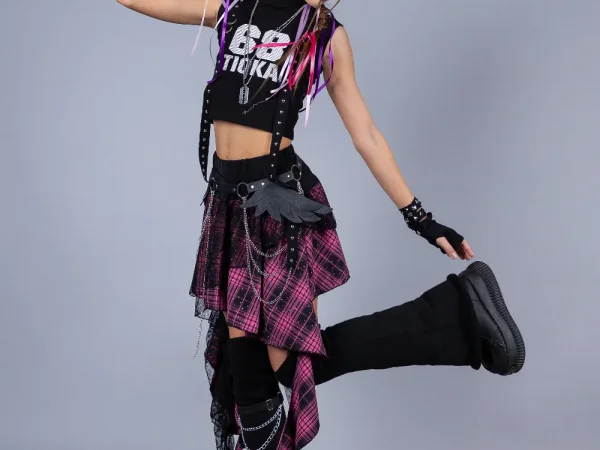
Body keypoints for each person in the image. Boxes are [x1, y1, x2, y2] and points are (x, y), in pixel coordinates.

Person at [116, 1, 527, 449]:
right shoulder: (233, 6)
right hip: (230, 207)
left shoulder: (327, 36)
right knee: (255, 374)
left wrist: (420, 219)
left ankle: (461, 311)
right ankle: (460, 311)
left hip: (279, 209)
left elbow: (366, 135)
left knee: (280, 366)